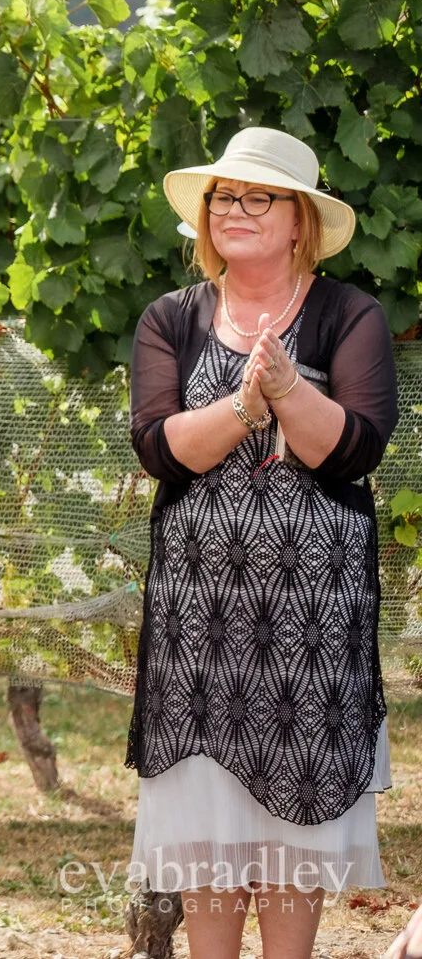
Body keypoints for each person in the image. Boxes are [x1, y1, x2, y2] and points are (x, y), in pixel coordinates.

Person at [126, 127, 396, 959]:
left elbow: (350, 448)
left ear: (298, 220)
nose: (233, 211)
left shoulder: (350, 315)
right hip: (200, 640)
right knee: (210, 853)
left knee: (292, 856)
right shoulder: (171, 318)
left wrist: (287, 388)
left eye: (256, 196)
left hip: (309, 640)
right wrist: (248, 407)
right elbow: (160, 446)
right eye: (222, 198)